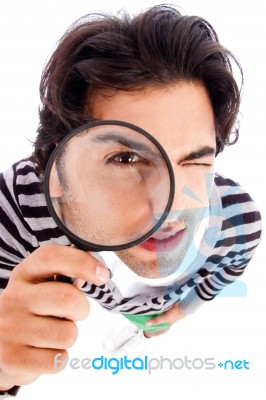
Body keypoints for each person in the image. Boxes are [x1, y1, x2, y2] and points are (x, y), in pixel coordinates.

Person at [0, 4, 262, 397]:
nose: (169, 211)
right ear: (60, 172)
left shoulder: (239, 223)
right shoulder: (19, 208)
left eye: (194, 159)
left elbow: (226, 271)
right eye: (126, 159)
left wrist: (177, 313)